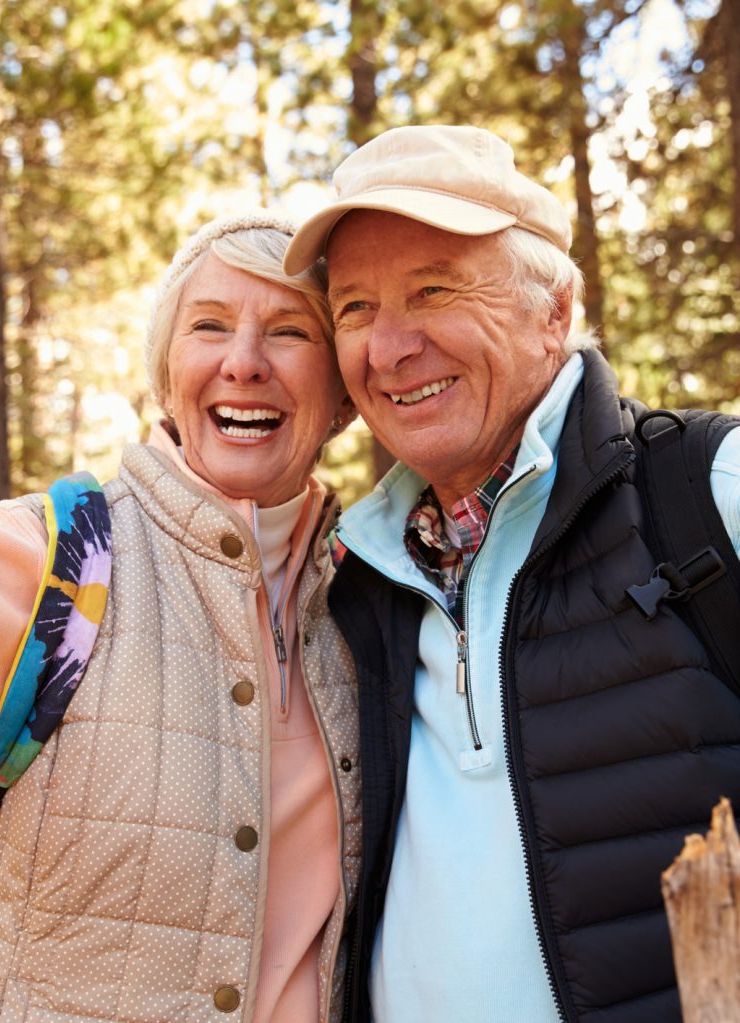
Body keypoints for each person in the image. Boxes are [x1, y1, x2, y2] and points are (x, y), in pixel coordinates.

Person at [282, 125, 740, 1022]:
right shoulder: (353, 580)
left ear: (554, 310)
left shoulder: (707, 488)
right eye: (356, 310)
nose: (389, 347)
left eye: (434, 289)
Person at [0, 210, 361, 1023]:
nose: (243, 362)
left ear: (344, 395)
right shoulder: (42, 561)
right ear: (165, 376)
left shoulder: (374, 609)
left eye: (289, 331)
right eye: (209, 325)